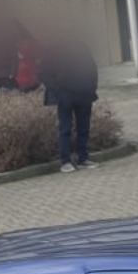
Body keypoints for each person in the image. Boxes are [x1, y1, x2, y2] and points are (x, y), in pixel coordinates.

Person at [41, 30, 99, 173]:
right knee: (65, 128)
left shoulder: (82, 46)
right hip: (65, 95)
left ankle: (83, 158)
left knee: (83, 128)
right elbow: (43, 73)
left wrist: (91, 88)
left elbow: (92, 68)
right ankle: (65, 161)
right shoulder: (53, 49)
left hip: (84, 93)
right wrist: (57, 91)